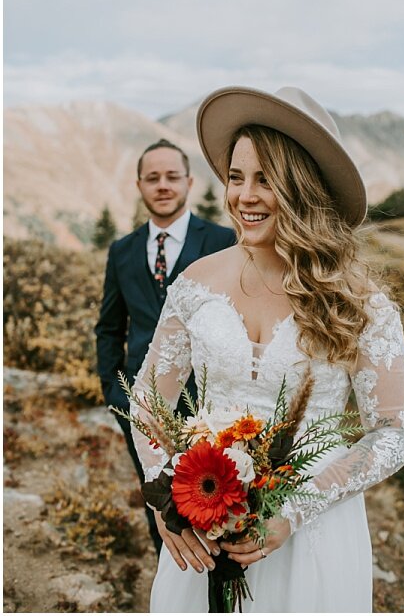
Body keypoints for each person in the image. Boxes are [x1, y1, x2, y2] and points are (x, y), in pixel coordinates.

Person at [127, 86, 404, 612]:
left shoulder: (357, 302)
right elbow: (148, 403)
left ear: (302, 189)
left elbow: (396, 431)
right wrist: (166, 501)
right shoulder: (196, 282)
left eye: (266, 180)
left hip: (315, 535)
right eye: (236, 178)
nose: (244, 196)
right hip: (204, 527)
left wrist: (297, 508)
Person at [95, 138, 236, 552]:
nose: (163, 185)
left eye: (172, 176)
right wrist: (114, 393)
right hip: (143, 409)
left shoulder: (224, 240)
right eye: (152, 178)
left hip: (213, 407)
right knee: (158, 503)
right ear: (140, 185)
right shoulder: (121, 251)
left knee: (224, 500)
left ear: (189, 182)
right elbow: (109, 328)